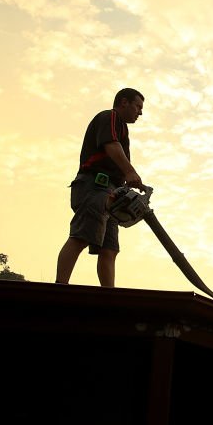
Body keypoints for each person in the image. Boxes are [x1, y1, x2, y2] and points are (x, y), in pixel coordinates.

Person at [55, 88, 145, 287]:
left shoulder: (122, 128)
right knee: (81, 236)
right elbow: (111, 145)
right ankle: (59, 287)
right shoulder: (110, 117)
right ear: (124, 102)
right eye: (138, 106)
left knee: (109, 248)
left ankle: (108, 294)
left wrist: (127, 182)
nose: (140, 112)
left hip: (111, 192)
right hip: (95, 185)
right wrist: (130, 172)